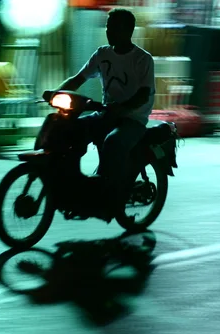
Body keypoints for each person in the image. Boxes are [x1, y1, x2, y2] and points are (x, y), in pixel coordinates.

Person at [45, 8, 155, 221]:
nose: (108, 30)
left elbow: (143, 95)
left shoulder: (143, 60)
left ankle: (110, 199)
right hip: (106, 114)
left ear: (128, 30)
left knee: (113, 142)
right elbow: (78, 79)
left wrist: (122, 108)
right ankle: (78, 189)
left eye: (114, 26)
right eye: (107, 26)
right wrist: (56, 93)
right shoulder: (102, 54)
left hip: (132, 119)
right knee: (70, 130)